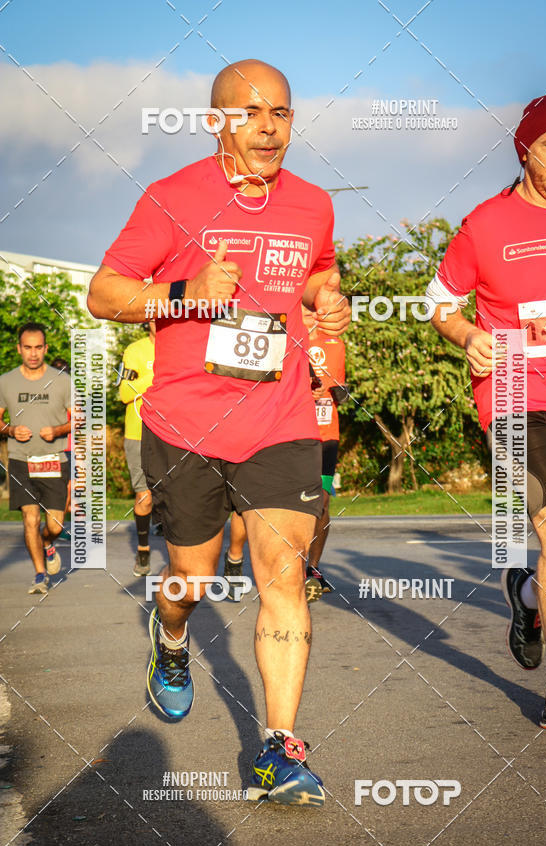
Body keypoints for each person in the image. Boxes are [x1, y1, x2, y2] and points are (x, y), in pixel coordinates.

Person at [87, 59, 350, 804]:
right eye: (251, 112)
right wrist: (183, 294)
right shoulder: (171, 198)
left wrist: (333, 303)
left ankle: (280, 749)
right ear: (217, 121)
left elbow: (319, 276)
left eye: (283, 113)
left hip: (281, 418)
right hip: (188, 426)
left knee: (283, 578)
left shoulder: (313, 204)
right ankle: (170, 639)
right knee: (190, 582)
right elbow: (103, 293)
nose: (269, 127)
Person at [428, 90, 546, 730]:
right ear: (525, 149)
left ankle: (529, 595)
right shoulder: (486, 224)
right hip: (515, 400)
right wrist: (469, 335)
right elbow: (439, 302)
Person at [0, 323, 71, 594]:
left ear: (46, 348)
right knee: (30, 519)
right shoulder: (6, 381)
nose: (33, 353)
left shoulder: (62, 380)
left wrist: (57, 430)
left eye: (38, 347)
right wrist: (10, 429)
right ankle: (40, 575)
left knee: (54, 525)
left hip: (53, 460)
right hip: (20, 459)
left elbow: (78, 419)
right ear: (19, 349)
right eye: (27, 347)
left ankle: (48, 544)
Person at [304, 307, 347, 600]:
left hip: (326, 435)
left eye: (313, 311)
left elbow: (343, 392)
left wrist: (329, 389)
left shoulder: (333, 343)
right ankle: (288, 568)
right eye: (305, 311)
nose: (310, 317)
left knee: (322, 503)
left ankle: (313, 569)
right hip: (289, 435)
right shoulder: (281, 337)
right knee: (291, 506)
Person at [118, 322, 156, 576]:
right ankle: (143, 549)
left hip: (179, 433)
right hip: (140, 433)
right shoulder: (135, 350)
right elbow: (123, 392)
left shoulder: (185, 346)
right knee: (145, 497)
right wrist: (157, 375)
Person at [50, 357, 72, 542]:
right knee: (58, 489)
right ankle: (55, 526)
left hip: (69, 447)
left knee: (67, 489)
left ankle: (58, 525)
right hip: (53, 447)